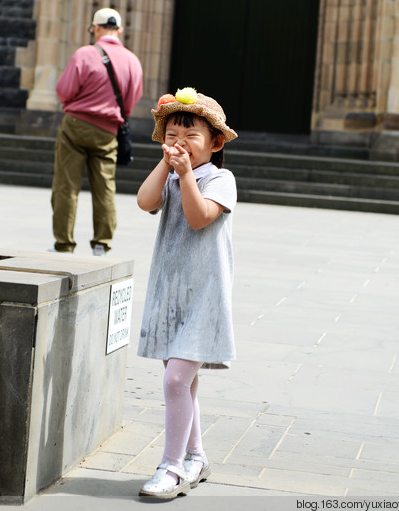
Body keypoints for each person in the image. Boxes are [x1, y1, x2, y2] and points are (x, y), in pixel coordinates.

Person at [136, 86, 238, 499]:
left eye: (190, 136)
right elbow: (145, 202)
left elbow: (199, 219)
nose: (179, 144)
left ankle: (172, 467)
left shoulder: (221, 179)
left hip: (204, 299)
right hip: (171, 293)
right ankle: (196, 455)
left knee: (177, 380)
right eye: (172, 136)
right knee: (183, 382)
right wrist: (167, 167)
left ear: (214, 143)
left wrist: (183, 175)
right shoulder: (172, 173)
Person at [51, 7, 143, 256]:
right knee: (105, 186)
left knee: (66, 185)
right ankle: (102, 243)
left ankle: (64, 245)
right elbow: (133, 100)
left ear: (96, 28)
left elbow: (64, 90)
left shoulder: (85, 53)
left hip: (76, 125)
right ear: (120, 30)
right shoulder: (133, 61)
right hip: (108, 130)